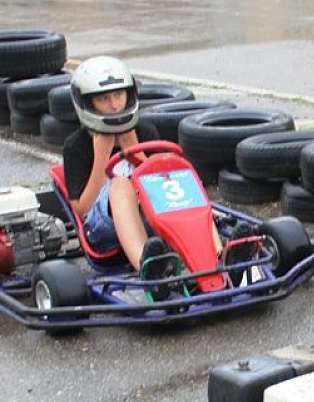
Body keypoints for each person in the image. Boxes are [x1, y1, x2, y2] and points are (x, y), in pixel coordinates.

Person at [62, 56, 217, 285]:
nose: (115, 105)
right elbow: (83, 210)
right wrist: (101, 159)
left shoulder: (144, 130)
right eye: (104, 99)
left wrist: (135, 154)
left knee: (181, 177)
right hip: (103, 231)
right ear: (87, 103)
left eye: (118, 95)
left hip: (153, 219)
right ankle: (148, 269)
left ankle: (218, 259)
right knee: (121, 184)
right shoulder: (76, 146)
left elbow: (163, 183)